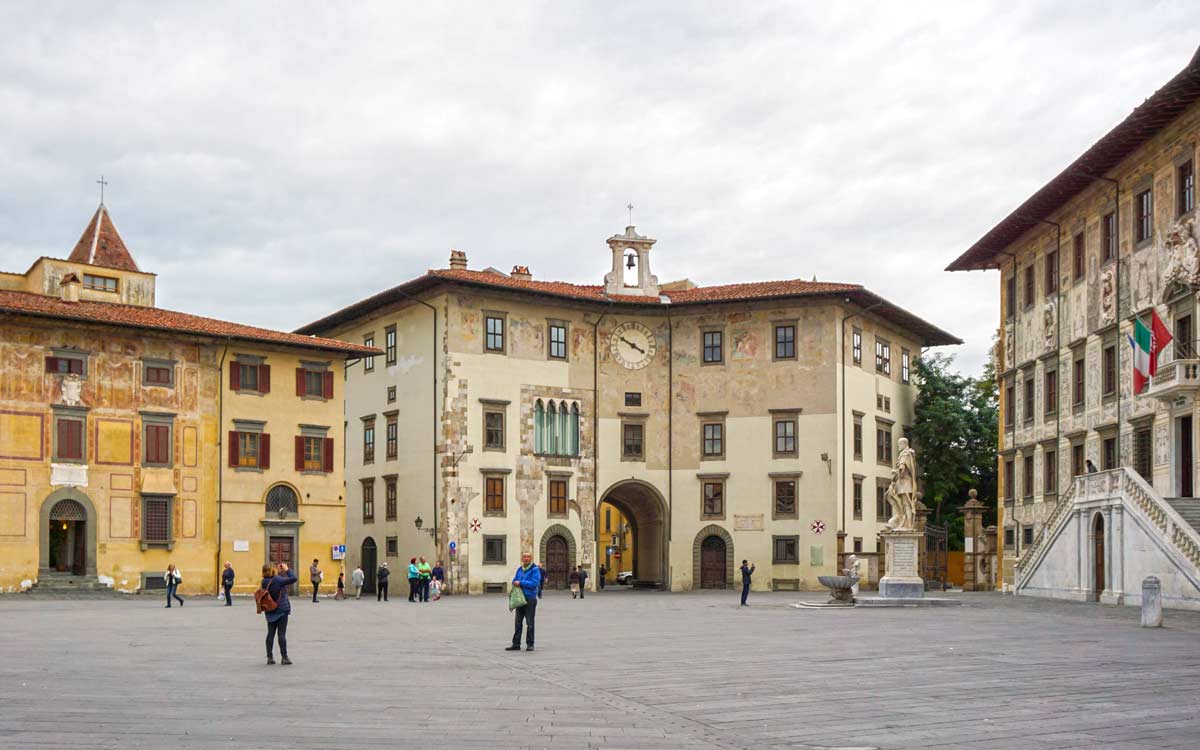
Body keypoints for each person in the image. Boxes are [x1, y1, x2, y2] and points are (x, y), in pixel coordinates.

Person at [261, 562, 297, 665]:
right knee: (281, 634)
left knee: (270, 634)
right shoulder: (277, 580)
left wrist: (279, 573)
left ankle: (270, 657)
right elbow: (293, 578)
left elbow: (275, 581)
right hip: (281, 610)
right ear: (273, 570)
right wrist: (286, 569)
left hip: (270, 609)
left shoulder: (264, 581)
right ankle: (284, 657)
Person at [506, 552, 542, 652]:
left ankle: (530, 644)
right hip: (520, 598)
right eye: (525, 557)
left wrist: (521, 582)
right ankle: (516, 643)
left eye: (528, 557)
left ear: (531, 558)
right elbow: (514, 579)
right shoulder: (520, 569)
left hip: (530, 598)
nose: (526, 558)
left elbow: (535, 583)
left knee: (530, 622)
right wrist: (515, 581)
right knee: (518, 622)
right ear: (522, 558)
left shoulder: (535, 569)